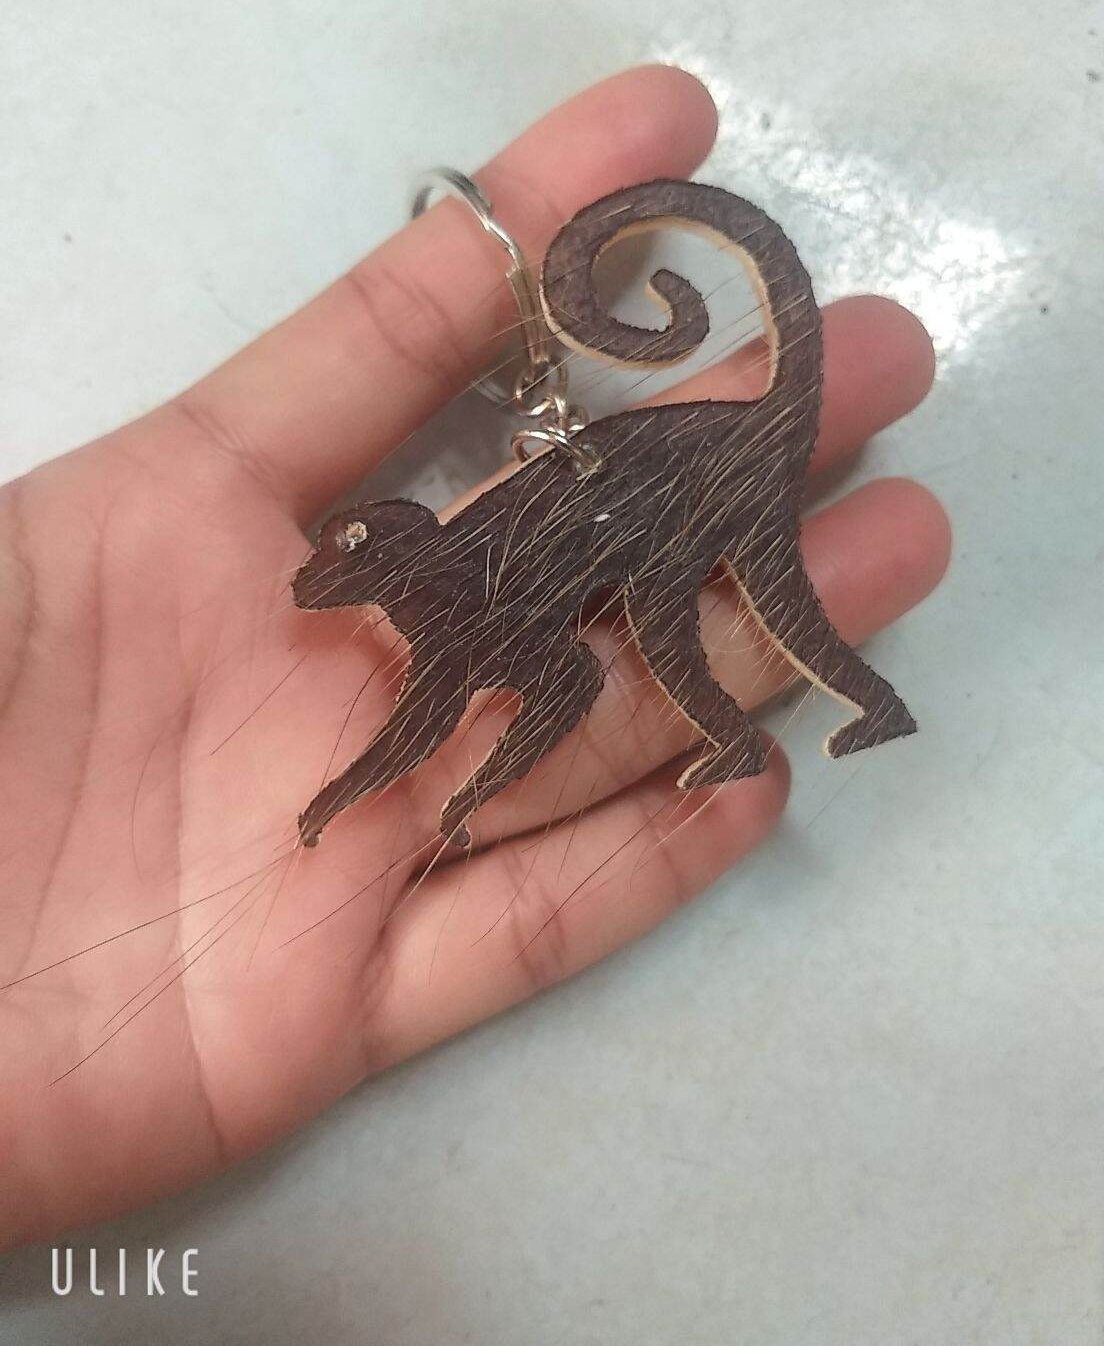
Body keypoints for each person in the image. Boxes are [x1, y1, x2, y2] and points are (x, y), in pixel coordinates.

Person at [0, 65, 949, 1248]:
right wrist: (348, 796)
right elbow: (431, 712)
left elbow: (555, 684)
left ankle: (851, 703)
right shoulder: (440, 618)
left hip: (669, 483)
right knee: (675, 623)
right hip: (613, 512)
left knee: (713, 606)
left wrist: (476, 783)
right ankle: (817, 711)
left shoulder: (458, 603)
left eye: (361, 572)